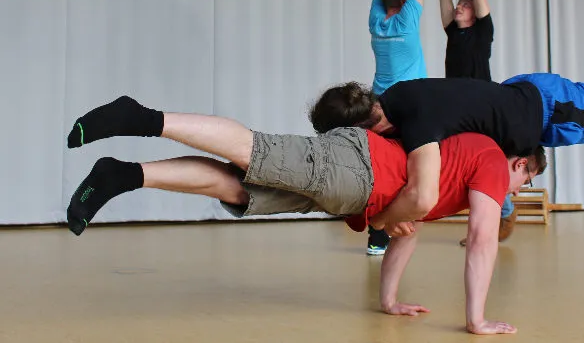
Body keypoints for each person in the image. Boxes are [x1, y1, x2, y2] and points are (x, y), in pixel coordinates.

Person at [64, 95, 546, 335]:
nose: (515, 191)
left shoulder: (456, 173)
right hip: (359, 168)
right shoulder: (489, 159)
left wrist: (389, 300)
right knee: (256, 150)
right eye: (524, 181)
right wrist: (476, 319)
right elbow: (482, 238)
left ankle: (124, 175)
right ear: (519, 163)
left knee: (239, 189)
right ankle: (139, 117)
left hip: (352, 192)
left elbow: (408, 229)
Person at [309, 44, 584, 231]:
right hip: (529, 99)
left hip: (546, 108)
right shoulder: (397, 96)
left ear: (361, 128)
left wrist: (379, 222)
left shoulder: (416, 121)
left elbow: (422, 198)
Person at [439, 0, 516, 244]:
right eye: (459, 5)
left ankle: (505, 211)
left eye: (465, 6)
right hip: (455, 106)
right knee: (462, 161)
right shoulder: (453, 32)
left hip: (482, 106)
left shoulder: (484, 31)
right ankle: (486, 222)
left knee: (484, 158)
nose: (459, 8)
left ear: (475, 13)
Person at [365, 0, 424, 255]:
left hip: (379, 104)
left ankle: (377, 236)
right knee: (409, 168)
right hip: (409, 105)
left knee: (382, 168)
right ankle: (399, 224)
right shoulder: (407, 22)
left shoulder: (376, 22)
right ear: (404, 1)